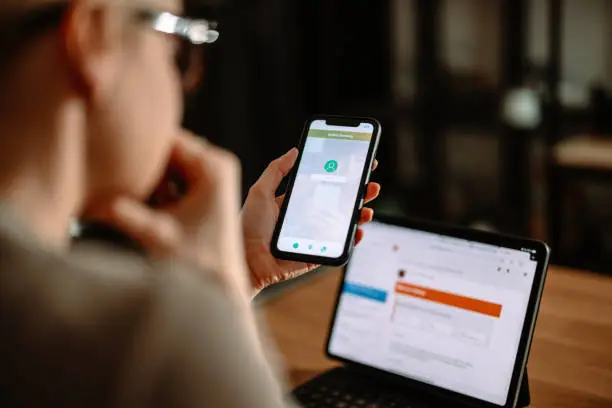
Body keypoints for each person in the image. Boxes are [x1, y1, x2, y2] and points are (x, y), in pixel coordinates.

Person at [0, 0, 381, 406]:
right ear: (93, 38)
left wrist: (242, 269)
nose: (190, 80)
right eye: (177, 46)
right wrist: (215, 300)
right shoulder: (145, 335)